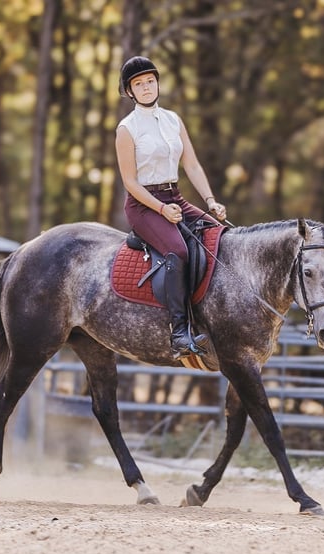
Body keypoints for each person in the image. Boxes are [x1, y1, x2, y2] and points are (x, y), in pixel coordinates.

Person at [115, 55, 228, 359]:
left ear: (158, 83)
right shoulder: (127, 129)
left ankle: (211, 312)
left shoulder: (173, 120)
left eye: (150, 81)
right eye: (139, 84)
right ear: (130, 92)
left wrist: (211, 200)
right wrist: (161, 210)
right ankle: (179, 332)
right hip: (143, 205)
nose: (147, 87)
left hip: (175, 197)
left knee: (220, 234)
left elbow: (191, 163)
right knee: (177, 251)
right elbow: (130, 182)